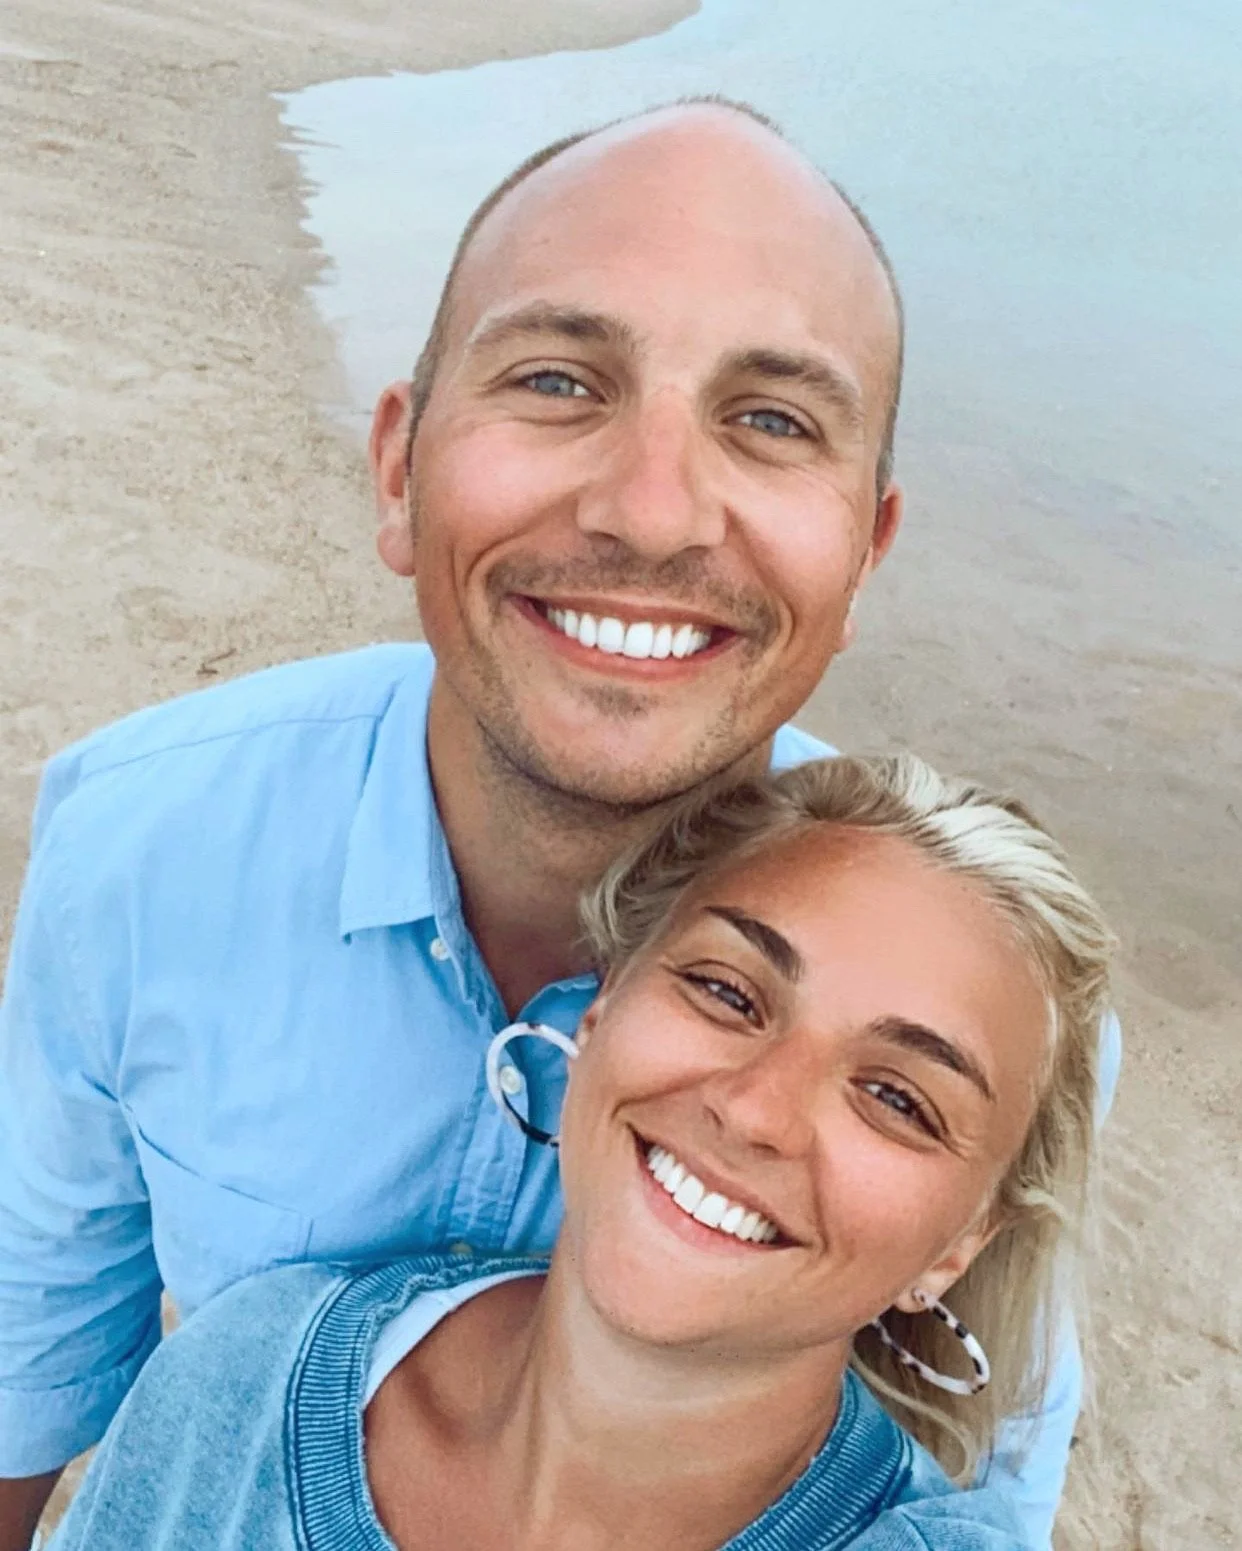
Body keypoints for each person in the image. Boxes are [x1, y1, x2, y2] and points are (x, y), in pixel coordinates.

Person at [0, 100, 1121, 1548]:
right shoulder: (143, 845)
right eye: (555, 379)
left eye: (770, 419)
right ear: (399, 468)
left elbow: (972, 1483)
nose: (652, 511)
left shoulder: (988, 999)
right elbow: (30, 1371)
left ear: (863, 557)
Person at [45, 755, 1114, 1551]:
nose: (753, 1111)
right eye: (729, 992)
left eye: (894, 1098)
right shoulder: (252, 1369)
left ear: (959, 1247)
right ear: (600, 1014)